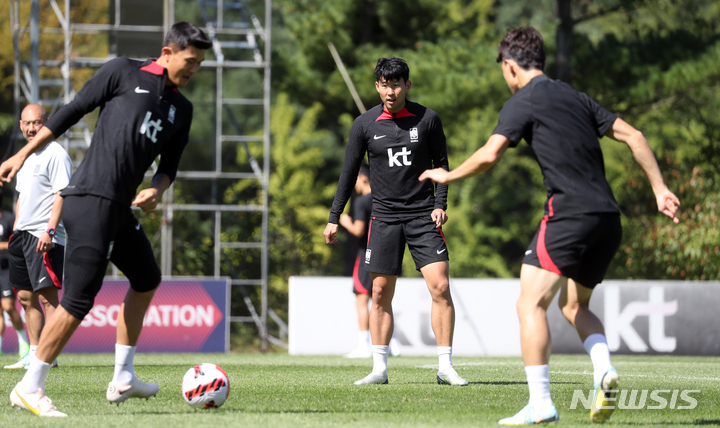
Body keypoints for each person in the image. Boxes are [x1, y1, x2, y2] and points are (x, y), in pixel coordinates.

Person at [419, 26, 680, 424]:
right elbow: (636, 136)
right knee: (573, 305)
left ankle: (541, 402)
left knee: (529, 303)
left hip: (570, 214)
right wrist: (660, 189)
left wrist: (446, 176)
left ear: (510, 67)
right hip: (608, 218)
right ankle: (603, 370)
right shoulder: (576, 97)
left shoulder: (524, 100)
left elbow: (490, 155)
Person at [1, 22, 211, 417]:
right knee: (77, 301)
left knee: (146, 278)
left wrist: (157, 189)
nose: (194, 69)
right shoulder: (122, 71)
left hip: (119, 209)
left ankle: (123, 377)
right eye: (190, 60)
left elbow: (170, 165)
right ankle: (30, 388)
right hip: (90, 198)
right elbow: (71, 111)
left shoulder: (182, 109)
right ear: (168, 52)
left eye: (200, 63)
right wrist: (22, 154)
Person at [324, 57, 467, 386]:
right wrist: (334, 217)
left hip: (421, 215)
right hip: (384, 219)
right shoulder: (364, 124)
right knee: (378, 293)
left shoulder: (428, 119)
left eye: (397, 84)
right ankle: (379, 368)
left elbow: (442, 165)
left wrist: (440, 204)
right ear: (377, 86)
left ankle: (445, 366)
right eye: (385, 85)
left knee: (441, 287)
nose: (391, 91)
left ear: (407, 85)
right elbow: (348, 173)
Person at [4, 104, 70, 371]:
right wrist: (17, 227)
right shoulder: (26, 155)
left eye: (38, 123)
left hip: (44, 235)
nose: (32, 128)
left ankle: (49, 355)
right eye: (28, 123)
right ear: (21, 124)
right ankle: (34, 353)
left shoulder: (56, 153)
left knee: (46, 298)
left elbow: (62, 193)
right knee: (25, 298)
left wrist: (50, 230)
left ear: (48, 123)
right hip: (22, 234)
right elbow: (21, 195)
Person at [340, 163, 400, 359]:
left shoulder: (361, 202)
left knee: (361, 299)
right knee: (382, 300)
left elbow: (358, 230)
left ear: (363, 178)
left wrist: (345, 221)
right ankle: (392, 343)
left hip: (365, 253)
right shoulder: (384, 198)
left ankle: (364, 344)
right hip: (385, 251)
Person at [0, 190, 30, 359]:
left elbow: (16, 242)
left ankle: (23, 342)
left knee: (8, 306)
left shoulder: (9, 218)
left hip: (6, 269)